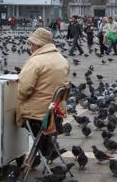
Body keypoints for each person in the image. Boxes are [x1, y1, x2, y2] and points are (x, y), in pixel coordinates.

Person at [17, 28, 69, 160]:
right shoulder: (62, 59)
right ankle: (47, 147)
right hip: (56, 112)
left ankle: (17, 153)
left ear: (37, 44)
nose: (30, 47)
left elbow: (24, 90)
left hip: (39, 113)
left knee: (8, 114)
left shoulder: (35, 61)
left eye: (32, 44)